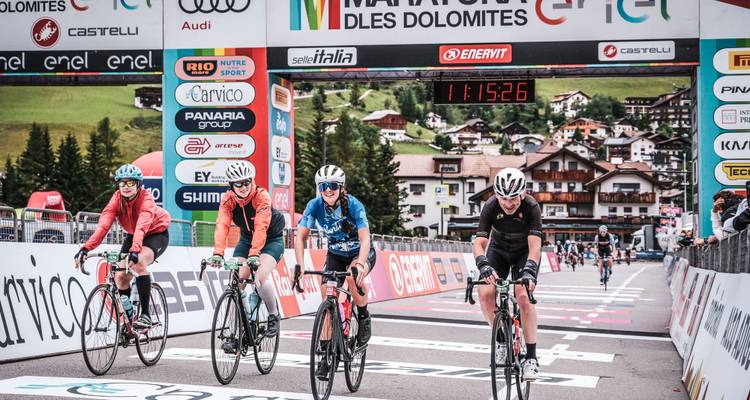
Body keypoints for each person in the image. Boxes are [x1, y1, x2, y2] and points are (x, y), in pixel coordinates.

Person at [294, 164, 375, 379]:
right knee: (327, 298)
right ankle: (326, 354)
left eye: (332, 186)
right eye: (323, 187)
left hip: (360, 252)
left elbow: (365, 237)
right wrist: (300, 264)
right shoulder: (314, 206)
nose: (328, 190)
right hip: (336, 255)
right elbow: (300, 237)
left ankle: (364, 317)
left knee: (352, 278)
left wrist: (360, 264)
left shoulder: (354, 205)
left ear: (341, 187)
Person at [74, 163, 171, 329]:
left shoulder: (146, 199)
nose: (126, 187)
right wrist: (86, 248)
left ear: (138, 184)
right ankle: (128, 319)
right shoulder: (116, 199)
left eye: (131, 183)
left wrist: (134, 251)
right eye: (122, 183)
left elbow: (142, 225)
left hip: (155, 233)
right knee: (120, 276)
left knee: (138, 262)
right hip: (134, 234)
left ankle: (146, 315)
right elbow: (103, 226)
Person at [472, 167, 541, 381]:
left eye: (513, 199)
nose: (508, 204)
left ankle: (531, 358)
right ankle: (502, 338)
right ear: (496, 195)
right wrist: (482, 263)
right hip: (499, 251)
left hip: (524, 253)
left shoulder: (531, 207)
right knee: (484, 294)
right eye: (503, 199)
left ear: (522, 193)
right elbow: (479, 242)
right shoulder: (491, 205)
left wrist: (529, 270)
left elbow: (535, 246)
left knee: (523, 296)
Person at [208, 161, 286, 338]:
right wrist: (218, 253)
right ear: (231, 185)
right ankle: (239, 329)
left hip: (271, 240)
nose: (243, 187)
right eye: (238, 183)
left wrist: (254, 255)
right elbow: (222, 225)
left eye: (246, 182)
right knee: (238, 279)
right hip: (246, 239)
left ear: (252, 180)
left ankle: (274, 315)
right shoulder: (228, 200)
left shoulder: (262, 196)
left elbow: (261, 227)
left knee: (259, 276)